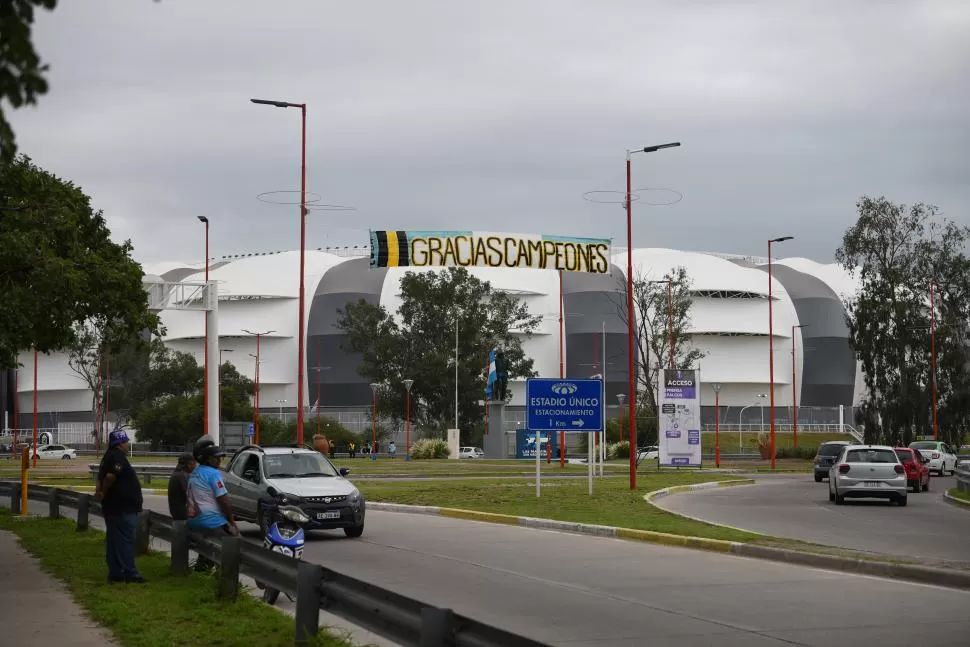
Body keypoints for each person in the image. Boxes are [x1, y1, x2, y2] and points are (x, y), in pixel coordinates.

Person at [94, 429, 145, 584]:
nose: (127, 444)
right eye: (126, 441)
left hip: (113, 506)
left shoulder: (107, 456)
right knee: (125, 540)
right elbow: (110, 477)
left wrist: (99, 492)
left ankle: (115, 572)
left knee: (114, 539)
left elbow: (101, 476)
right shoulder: (117, 457)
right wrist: (103, 492)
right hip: (122, 507)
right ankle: (130, 573)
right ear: (120, 443)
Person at [187, 442, 239, 570]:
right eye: (216, 458)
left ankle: (201, 572)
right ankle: (224, 580)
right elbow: (224, 501)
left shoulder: (195, 472)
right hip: (212, 521)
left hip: (194, 521)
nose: (219, 460)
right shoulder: (214, 474)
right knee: (234, 546)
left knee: (207, 551)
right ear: (208, 459)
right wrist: (232, 522)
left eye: (221, 457)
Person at [167, 452, 197, 520]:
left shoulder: (177, 474)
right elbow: (191, 495)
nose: (195, 466)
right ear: (189, 464)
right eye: (194, 463)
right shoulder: (181, 476)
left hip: (177, 513)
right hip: (182, 516)